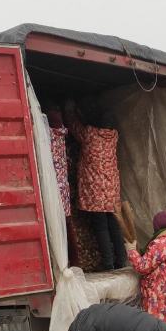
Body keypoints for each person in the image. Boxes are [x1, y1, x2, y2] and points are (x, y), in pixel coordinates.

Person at [64, 98, 127, 271]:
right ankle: (122, 260)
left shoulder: (90, 135)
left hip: (96, 190)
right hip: (111, 189)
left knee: (101, 227)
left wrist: (70, 110)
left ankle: (108, 264)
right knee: (114, 224)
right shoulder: (113, 137)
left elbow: (74, 128)